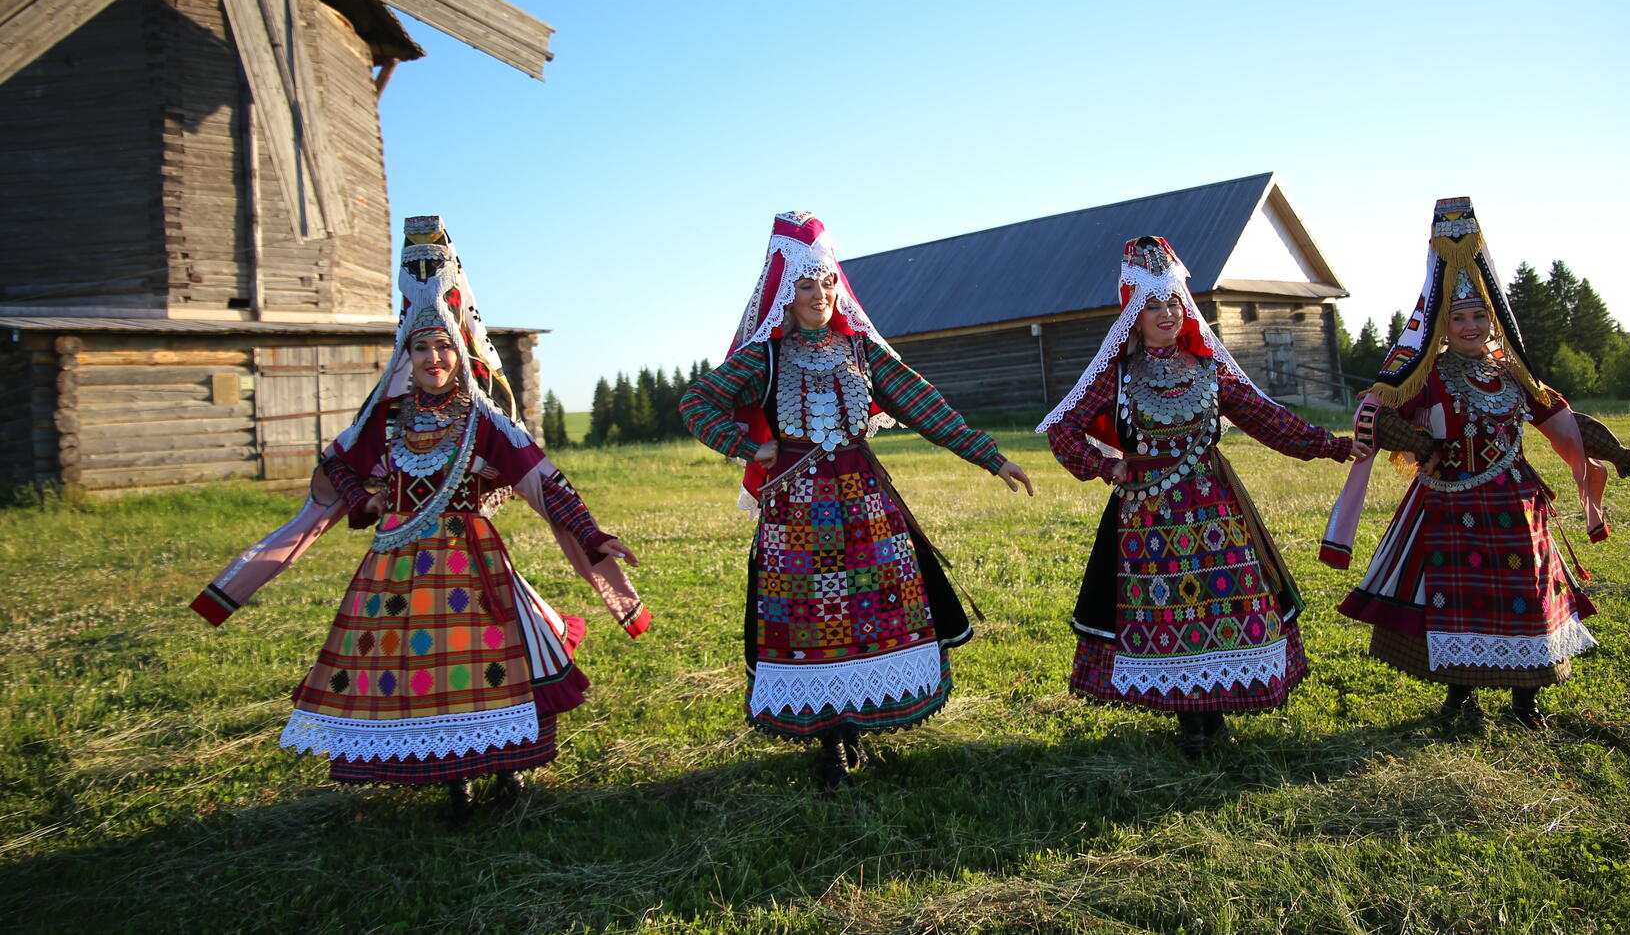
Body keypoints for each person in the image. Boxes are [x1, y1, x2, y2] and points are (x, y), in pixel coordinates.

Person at [190, 216, 648, 822]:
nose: (433, 358)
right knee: (420, 674)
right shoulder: (385, 420)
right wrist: (366, 500)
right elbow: (337, 466)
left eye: (442, 347)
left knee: (489, 661)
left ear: (460, 352)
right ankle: (453, 783)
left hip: (472, 565)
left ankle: (503, 767)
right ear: (406, 354)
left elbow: (544, 483)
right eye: (421, 347)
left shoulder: (484, 421)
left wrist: (592, 534)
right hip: (397, 569)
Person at [680, 211, 1033, 787]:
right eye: (803, 285)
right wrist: (746, 446)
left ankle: (858, 721)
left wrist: (990, 456)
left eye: (825, 283)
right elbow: (698, 404)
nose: (818, 295)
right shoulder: (764, 358)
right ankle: (830, 742)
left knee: (874, 604)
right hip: (795, 510)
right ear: (783, 296)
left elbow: (924, 406)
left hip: (866, 506)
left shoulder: (861, 352)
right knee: (812, 617)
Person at [1320, 197, 1630, 727]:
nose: (1470, 324)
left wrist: (1626, 456)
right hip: (1447, 504)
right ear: (1443, 323)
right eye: (1458, 316)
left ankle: (1526, 702)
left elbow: (1568, 423)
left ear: (1492, 318)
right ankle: (1459, 697)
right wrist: (1423, 447)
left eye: (1479, 314)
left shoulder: (1515, 377)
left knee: (1524, 594)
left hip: (1515, 504)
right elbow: (1379, 414)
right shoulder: (1429, 374)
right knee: (1455, 599)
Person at [1038, 236, 1365, 759]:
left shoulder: (1209, 368)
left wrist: (1331, 446)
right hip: (1147, 517)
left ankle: (1215, 706)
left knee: (1224, 599)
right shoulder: (1116, 376)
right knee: (1167, 613)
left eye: (1172, 302)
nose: (1166, 314)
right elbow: (1063, 431)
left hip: (1216, 506)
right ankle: (1191, 721)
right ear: (1134, 316)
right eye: (1152, 306)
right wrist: (1107, 466)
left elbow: (1266, 418)